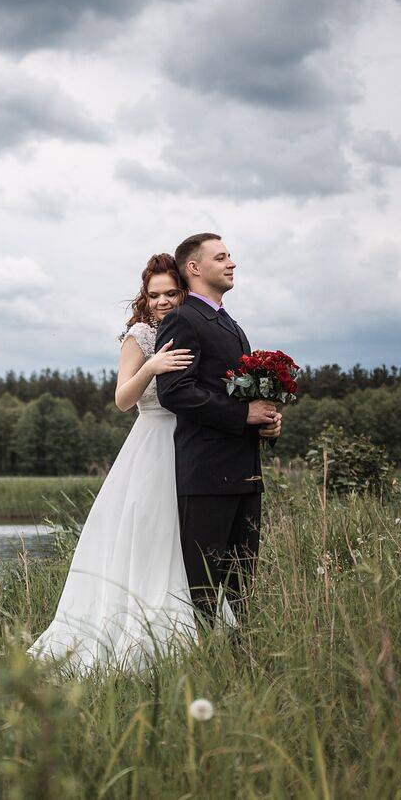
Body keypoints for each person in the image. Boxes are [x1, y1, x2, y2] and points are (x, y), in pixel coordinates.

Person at [28, 253, 204, 671]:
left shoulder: (191, 330)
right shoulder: (140, 336)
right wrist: (153, 366)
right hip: (151, 444)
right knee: (149, 536)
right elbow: (123, 398)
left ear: (184, 292)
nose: (161, 302)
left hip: (189, 444)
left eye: (170, 293)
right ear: (144, 297)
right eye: (153, 294)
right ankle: (136, 637)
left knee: (181, 539)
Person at [155, 232, 282, 625]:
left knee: (243, 585)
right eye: (222, 257)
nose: (232, 263)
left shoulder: (227, 321)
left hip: (244, 470)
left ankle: (243, 659)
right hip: (207, 474)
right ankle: (211, 659)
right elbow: (174, 392)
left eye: (230, 256)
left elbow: (233, 391)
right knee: (207, 587)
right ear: (194, 268)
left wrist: (265, 422)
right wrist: (242, 416)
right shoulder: (183, 318)